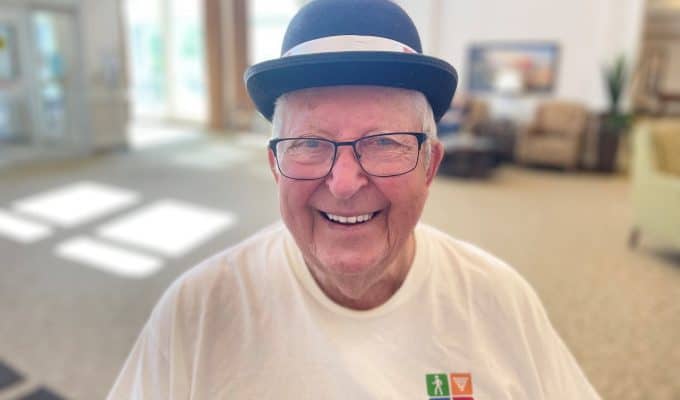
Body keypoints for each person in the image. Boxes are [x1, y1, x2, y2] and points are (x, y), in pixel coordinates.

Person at [108, 0, 600, 398]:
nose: (344, 184)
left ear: (430, 165)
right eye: (309, 143)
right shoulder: (197, 311)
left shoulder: (499, 300)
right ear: (275, 166)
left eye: (384, 142)